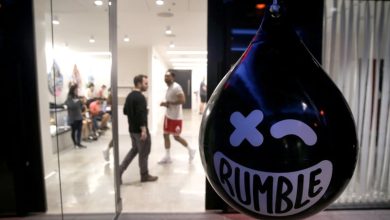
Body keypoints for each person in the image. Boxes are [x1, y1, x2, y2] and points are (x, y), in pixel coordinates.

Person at [119, 74, 158, 183]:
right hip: (140, 131)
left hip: (132, 130)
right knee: (144, 153)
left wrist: (140, 112)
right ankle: (144, 175)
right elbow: (141, 115)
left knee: (134, 150)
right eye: (145, 84)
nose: (147, 86)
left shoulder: (130, 96)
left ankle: (120, 170)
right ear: (139, 84)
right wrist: (144, 130)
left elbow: (125, 111)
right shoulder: (140, 97)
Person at [158, 71, 196, 164]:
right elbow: (171, 102)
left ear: (173, 78)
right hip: (168, 116)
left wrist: (168, 103)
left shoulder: (176, 87)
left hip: (176, 117)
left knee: (176, 137)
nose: (165, 78)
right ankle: (167, 156)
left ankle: (191, 150)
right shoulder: (169, 88)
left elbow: (182, 100)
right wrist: (166, 104)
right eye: (165, 76)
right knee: (165, 135)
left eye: (168, 76)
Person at [64, 84, 87, 148]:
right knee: (74, 131)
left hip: (79, 117)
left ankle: (79, 143)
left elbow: (80, 107)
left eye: (77, 90)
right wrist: (79, 102)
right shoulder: (69, 97)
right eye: (76, 90)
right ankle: (75, 144)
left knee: (79, 130)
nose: (77, 91)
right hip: (73, 118)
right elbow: (71, 106)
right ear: (73, 90)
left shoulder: (77, 97)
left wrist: (82, 104)